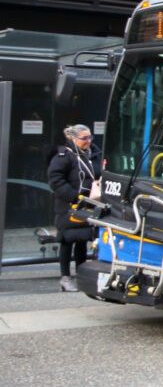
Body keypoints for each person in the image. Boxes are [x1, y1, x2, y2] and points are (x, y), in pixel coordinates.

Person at [47, 124, 101, 292]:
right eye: (84, 138)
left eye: (90, 137)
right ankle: (65, 277)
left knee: (82, 239)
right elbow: (55, 180)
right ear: (73, 138)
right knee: (67, 240)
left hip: (88, 202)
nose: (88, 141)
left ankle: (81, 274)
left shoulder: (94, 154)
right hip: (68, 204)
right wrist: (73, 197)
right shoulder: (63, 155)